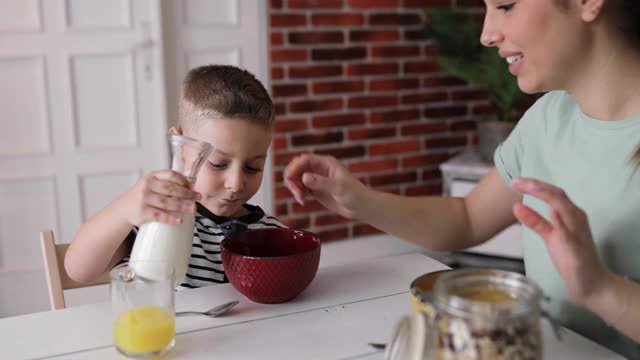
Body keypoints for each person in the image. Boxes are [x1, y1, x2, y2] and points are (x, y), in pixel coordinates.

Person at [284, 0, 640, 357]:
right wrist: (361, 201)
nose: (486, 35)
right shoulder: (549, 116)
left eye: (505, 5)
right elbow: (467, 218)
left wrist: (601, 290)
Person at [65, 65, 285, 290]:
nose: (236, 183)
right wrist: (124, 210)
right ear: (181, 147)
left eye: (252, 167)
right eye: (218, 164)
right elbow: (79, 270)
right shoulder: (158, 218)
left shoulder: (270, 233)